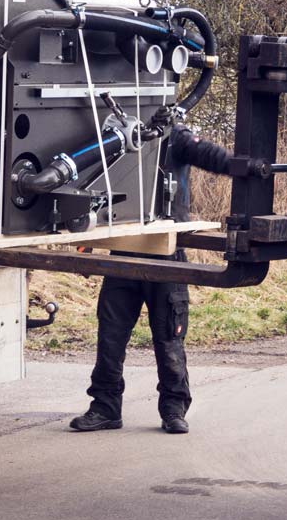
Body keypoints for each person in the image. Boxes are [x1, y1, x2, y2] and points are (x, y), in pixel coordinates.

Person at [68, 126, 262, 435]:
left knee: (169, 339)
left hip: (167, 253)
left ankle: (173, 408)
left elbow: (212, 156)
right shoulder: (116, 135)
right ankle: (105, 408)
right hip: (123, 250)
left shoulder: (177, 139)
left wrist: (247, 167)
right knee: (110, 338)